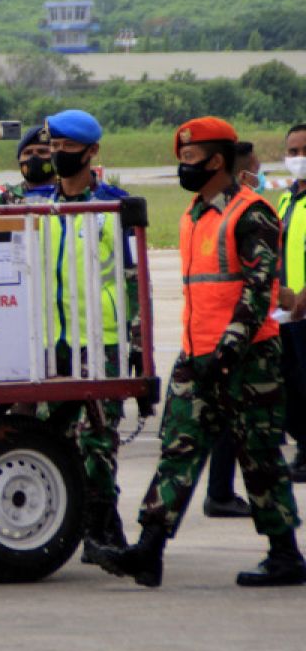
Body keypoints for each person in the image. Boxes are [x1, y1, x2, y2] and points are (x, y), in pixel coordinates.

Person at [100, 117, 306, 588]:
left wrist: (229, 347)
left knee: (259, 457)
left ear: (216, 161)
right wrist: (201, 353)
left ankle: (285, 555)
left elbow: (259, 291)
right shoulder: (193, 214)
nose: (182, 166)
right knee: (177, 450)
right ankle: (148, 551)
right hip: (198, 358)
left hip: (247, 361)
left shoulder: (252, 213)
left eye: (190, 159)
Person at [39, 109, 141, 567]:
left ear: (92, 152)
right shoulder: (39, 205)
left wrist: (136, 344)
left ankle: (103, 527)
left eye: (68, 149)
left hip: (102, 340)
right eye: (54, 147)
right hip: (53, 342)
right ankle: (70, 525)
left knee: (99, 441)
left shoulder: (116, 206)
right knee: (54, 439)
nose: (59, 156)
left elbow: (134, 276)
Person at [202, 141, 261, 516]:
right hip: (240, 339)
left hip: (218, 338)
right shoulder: (244, 216)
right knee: (249, 427)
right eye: (255, 171)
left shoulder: (204, 217)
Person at [275, 124, 306, 483]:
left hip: (304, 307)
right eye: (292, 152)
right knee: (287, 385)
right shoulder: (286, 199)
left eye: (303, 151)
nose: (298, 159)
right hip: (286, 312)